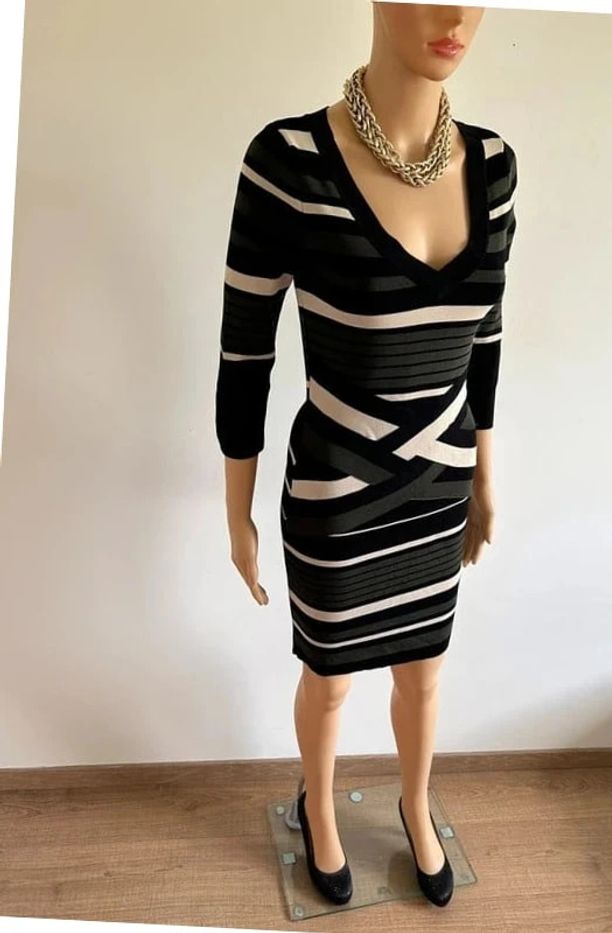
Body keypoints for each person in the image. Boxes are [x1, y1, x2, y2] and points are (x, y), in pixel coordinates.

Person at [215, 2, 517, 909]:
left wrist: (487, 475)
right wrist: (237, 510)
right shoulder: (288, 163)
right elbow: (244, 353)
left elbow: (487, 336)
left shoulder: (494, 166)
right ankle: (319, 805)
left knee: (425, 672)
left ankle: (417, 804)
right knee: (332, 675)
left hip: (441, 485)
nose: (456, 14)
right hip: (337, 492)